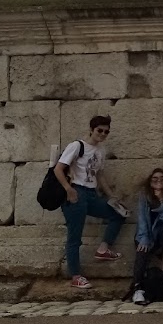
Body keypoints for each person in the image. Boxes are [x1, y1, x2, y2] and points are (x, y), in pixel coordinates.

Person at [53, 115, 126, 290]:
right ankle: (76, 276)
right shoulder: (77, 146)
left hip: (92, 194)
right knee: (74, 237)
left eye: (106, 132)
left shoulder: (100, 151)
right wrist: (69, 190)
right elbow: (58, 169)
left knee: (118, 214)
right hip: (77, 193)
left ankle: (103, 249)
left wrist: (110, 196)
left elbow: (99, 174)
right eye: (99, 130)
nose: (102, 134)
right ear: (92, 129)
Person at [131, 167, 163, 304]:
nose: (158, 181)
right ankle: (137, 289)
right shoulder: (144, 197)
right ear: (150, 181)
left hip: (160, 236)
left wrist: (162, 200)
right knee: (141, 253)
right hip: (145, 235)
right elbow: (141, 219)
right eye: (155, 179)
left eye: (162, 179)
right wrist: (144, 239)